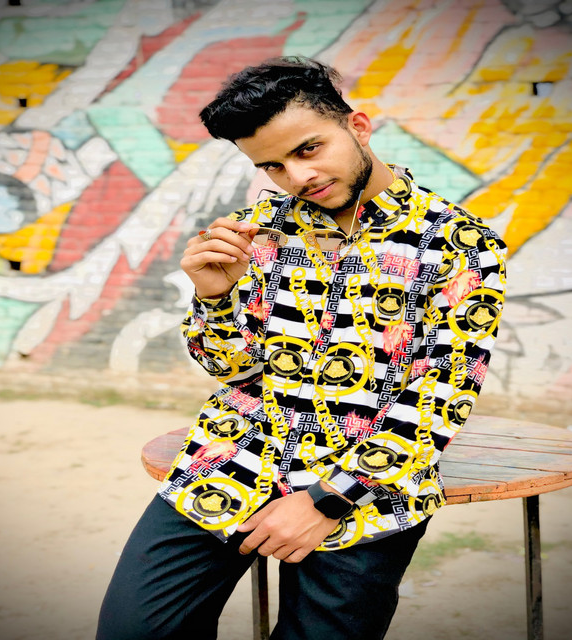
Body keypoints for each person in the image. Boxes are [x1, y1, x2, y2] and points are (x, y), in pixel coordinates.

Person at [96, 56, 507, 640]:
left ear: (357, 126)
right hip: (231, 463)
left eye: (309, 149)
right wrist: (213, 297)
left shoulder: (459, 243)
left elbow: (441, 395)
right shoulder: (257, 232)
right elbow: (231, 368)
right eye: (272, 165)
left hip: (367, 491)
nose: (297, 176)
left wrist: (327, 500)